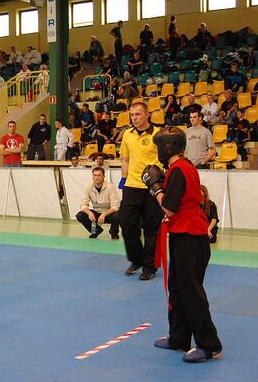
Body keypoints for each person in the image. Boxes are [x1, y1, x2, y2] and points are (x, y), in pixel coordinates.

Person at [142, 126, 222, 363]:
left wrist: (155, 188)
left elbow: (168, 208)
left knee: (191, 291)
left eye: (159, 146)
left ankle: (209, 345)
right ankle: (179, 338)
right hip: (183, 233)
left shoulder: (179, 169)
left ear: (168, 147)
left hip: (190, 236)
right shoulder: (182, 166)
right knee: (177, 287)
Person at [118, 102, 163, 281]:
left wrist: (160, 183)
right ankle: (136, 259)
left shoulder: (158, 134)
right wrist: (123, 180)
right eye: (132, 115)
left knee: (152, 229)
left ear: (147, 114)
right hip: (132, 185)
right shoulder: (127, 134)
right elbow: (125, 159)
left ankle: (150, 266)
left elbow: (164, 160)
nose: (134, 118)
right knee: (127, 224)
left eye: (138, 114)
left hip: (152, 187)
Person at [76, 167, 120, 239]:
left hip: (108, 213)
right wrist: (89, 213)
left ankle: (114, 233)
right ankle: (96, 231)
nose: (97, 177)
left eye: (99, 175)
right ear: (92, 176)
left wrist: (104, 214)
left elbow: (115, 206)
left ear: (104, 176)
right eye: (95, 175)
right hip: (96, 213)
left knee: (118, 215)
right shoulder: (88, 187)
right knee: (80, 215)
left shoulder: (110, 187)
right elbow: (83, 204)